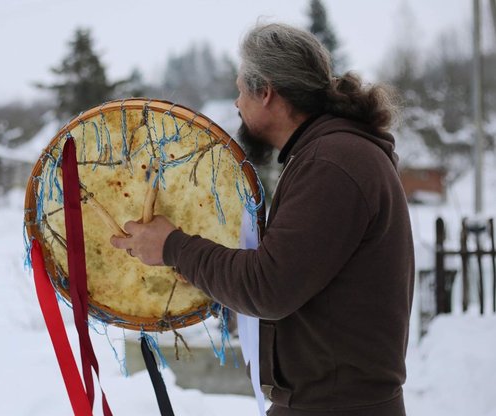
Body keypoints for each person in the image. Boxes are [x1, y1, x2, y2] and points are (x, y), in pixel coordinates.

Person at [111, 23, 414, 416]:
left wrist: (173, 246)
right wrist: (202, 266)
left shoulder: (332, 164)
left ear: (266, 91)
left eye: (240, 90)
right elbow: (292, 276)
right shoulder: (330, 154)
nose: (237, 104)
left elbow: (268, 287)